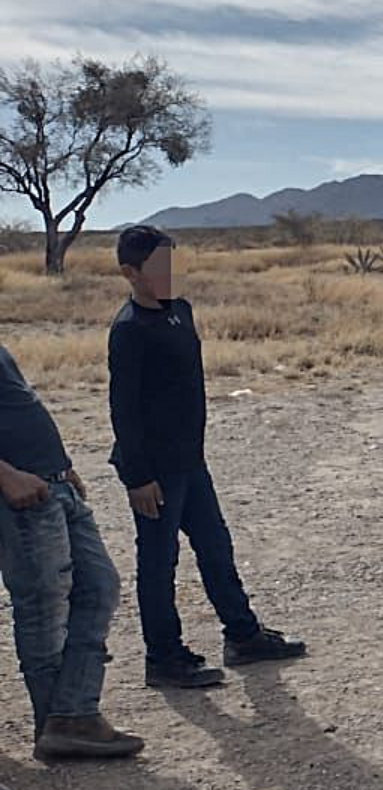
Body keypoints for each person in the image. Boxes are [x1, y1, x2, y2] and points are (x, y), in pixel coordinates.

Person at [108, 225, 307, 690]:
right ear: (129, 273)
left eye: (174, 262)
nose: (171, 274)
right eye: (160, 266)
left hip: (190, 463)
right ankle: (164, 658)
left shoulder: (181, 311)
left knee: (216, 547)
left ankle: (243, 636)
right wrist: (137, 477)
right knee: (159, 564)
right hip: (154, 470)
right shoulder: (129, 331)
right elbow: (123, 409)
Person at [0, 344, 144, 761]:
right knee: (43, 606)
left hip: (53, 481)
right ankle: (62, 723)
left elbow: (17, 404)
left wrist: (62, 464)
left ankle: (71, 715)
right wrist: (6, 475)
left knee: (100, 586)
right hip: (22, 491)